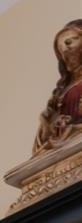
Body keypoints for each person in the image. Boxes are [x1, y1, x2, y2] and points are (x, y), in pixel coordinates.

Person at [34, 19, 82, 153]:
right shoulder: (59, 95)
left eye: (70, 40)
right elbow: (45, 138)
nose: (65, 48)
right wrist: (52, 125)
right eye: (60, 47)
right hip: (62, 155)